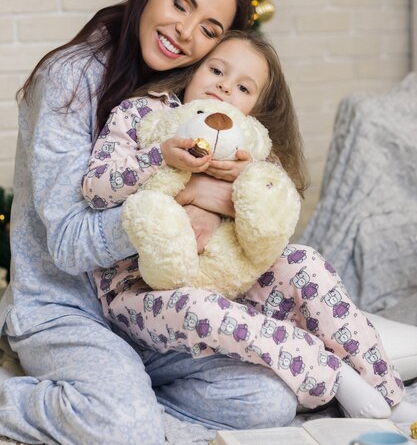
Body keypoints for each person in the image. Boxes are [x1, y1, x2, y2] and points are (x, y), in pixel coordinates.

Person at [0, 0, 300, 445]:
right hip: (63, 306)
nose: (186, 33)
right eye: (180, 4)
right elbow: (69, 246)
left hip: (147, 308)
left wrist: (239, 191)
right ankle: (103, 408)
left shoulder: (194, 90)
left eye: (209, 29)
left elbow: (250, 194)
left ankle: (115, 400)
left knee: (269, 401)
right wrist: (184, 199)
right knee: (124, 426)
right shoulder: (70, 78)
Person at [86, 31, 416, 424]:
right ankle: (329, 370)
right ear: (193, 70)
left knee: (304, 261)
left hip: (234, 289)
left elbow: (273, 226)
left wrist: (250, 181)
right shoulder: (142, 114)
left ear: (256, 107)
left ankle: (389, 395)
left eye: (243, 87)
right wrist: (162, 158)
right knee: (199, 305)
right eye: (216, 70)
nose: (225, 87)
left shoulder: (251, 144)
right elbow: (96, 188)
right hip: (141, 295)